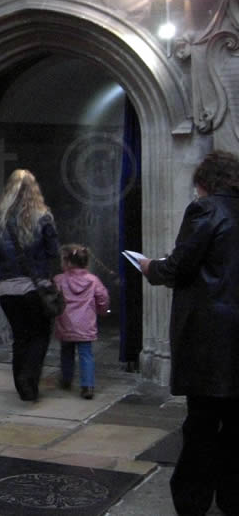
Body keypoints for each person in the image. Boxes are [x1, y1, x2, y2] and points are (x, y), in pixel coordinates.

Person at [140, 150, 239, 516]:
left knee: (202, 422)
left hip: (211, 336)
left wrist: (152, 267)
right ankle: (232, 498)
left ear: (205, 181)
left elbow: (181, 267)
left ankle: (193, 500)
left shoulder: (206, 209)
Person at [0, 169, 60, 402]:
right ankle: (29, 378)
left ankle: (22, 386)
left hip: (7, 289)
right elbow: (53, 252)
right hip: (34, 288)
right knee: (40, 335)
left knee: (20, 337)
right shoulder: (44, 217)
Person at [53, 244, 109, 400]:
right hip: (86, 324)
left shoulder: (59, 280)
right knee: (86, 354)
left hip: (65, 323)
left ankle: (66, 379)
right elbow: (102, 297)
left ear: (67, 262)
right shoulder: (93, 280)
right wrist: (101, 310)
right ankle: (87, 386)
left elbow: (53, 298)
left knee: (66, 352)